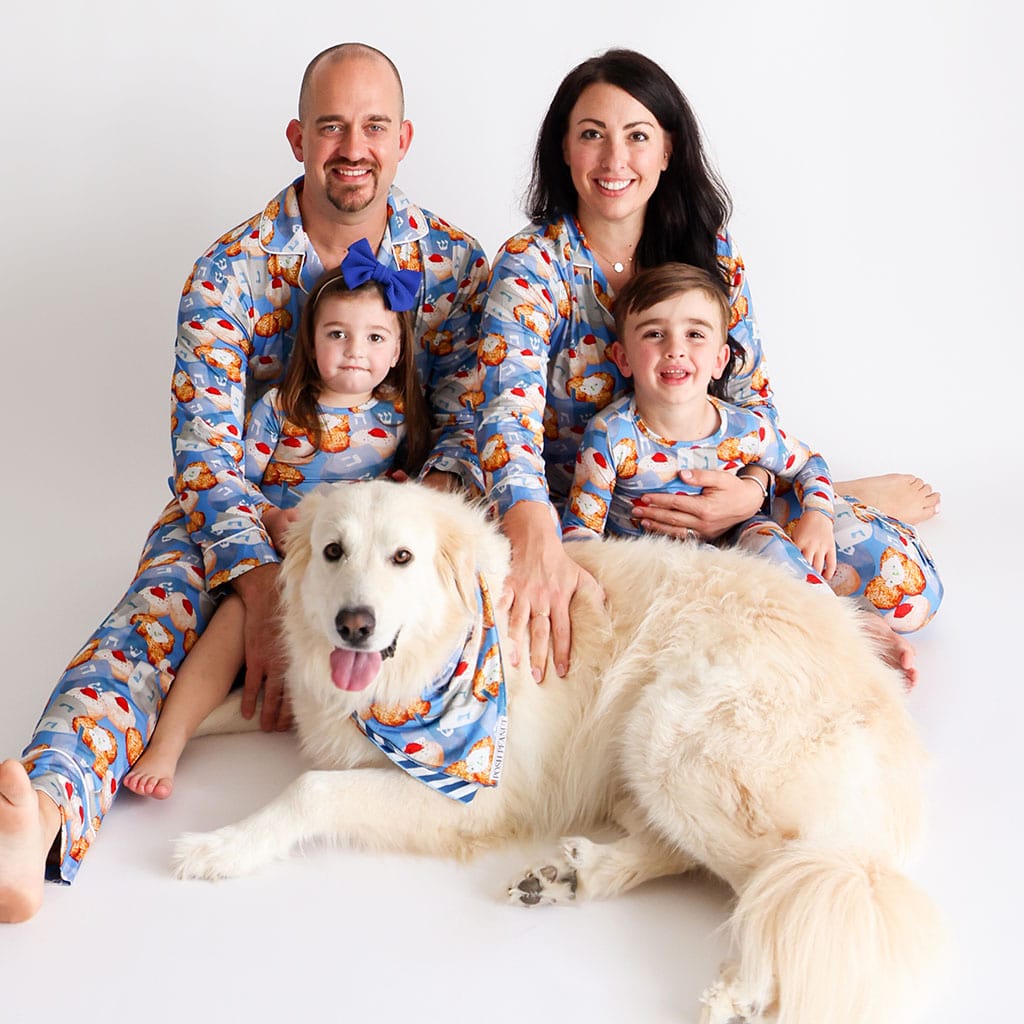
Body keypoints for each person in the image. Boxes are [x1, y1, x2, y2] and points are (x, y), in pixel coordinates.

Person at [0, 42, 489, 923]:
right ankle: (37, 817)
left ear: (404, 137)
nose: (354, 146)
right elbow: (206, 457)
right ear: (299, 137)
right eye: (332, 125)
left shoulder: (453, 264)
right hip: (246, 519)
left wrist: (403, 539)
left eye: (374, 126)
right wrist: (265, 585)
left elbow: (462, 427)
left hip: (394, 538)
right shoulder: (227, 271)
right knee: (141, 637)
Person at [474, 47, 941, 686]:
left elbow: (753, 400)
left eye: (637, 136)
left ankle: (831, 497)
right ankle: (831, 619)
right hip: (606, 512)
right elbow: (506, 417)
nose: (615, 160)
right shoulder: (532, 266)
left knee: (910, 594)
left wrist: (749, 491)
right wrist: (537, 535)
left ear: (667, 150)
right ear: (564, 149)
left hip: (725, 496)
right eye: (592, 135)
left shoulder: (711, 250)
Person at [124, 247, 431, 799]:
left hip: (345, 566)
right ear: (311, 344)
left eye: (375, 339)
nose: (355, 352)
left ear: (398, 351)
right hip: (281, 551)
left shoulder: (400, 417)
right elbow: (232, 476)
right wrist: (267, 515)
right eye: (337, 334)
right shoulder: (282, 409)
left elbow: (407, 490)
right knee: (236, 624)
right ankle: (168, 742)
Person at [561, 263, 942, 649]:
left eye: (694, 334)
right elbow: (581, 538)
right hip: (662, 565)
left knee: (770, 541)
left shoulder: (745, 430)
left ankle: (847, 633)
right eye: (655, 334)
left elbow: (810, 463)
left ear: (719, 360)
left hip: (740, 538)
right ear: (623, 358)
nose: (675, 348)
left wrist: (818, 516)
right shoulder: (610, 437)